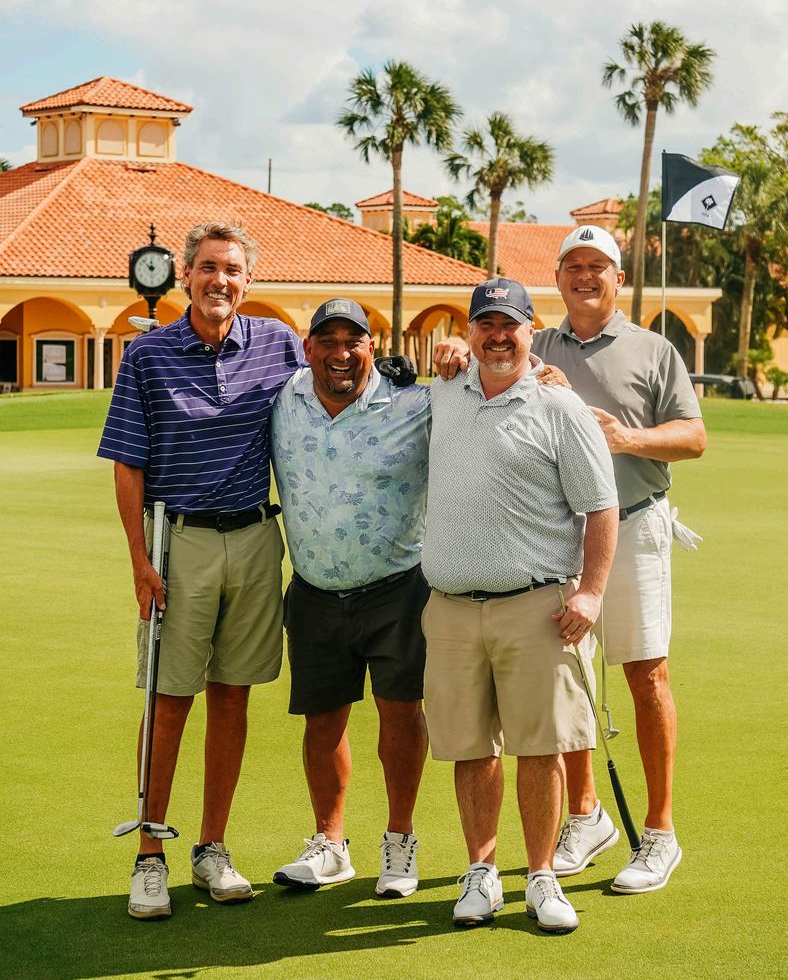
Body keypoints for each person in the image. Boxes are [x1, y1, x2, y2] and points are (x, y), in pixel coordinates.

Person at [98, 222, 303, 920]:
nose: (221, 280)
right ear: (185, 274)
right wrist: (138, 560)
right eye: (209, 267)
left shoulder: (280, 344)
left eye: (233, 269)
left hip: (255, 536)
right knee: (169, 700)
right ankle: (149, 853)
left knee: (233, 696)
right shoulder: (147, 354)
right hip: (178, 542)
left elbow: (343, 385)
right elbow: (128, 465)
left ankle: (212, 846)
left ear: (249, 280)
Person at [421, 278, 619, 934]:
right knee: (471, 747)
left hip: (537, 606)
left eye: (510, 324)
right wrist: (448, 355)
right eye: (486, 325)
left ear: (532, 331)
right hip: (452, 608)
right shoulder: (444, 391)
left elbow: (602, 507)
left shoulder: (559, 406)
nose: (498, 336)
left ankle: (540, 876)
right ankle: (480, 874)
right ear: (470, 332)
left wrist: (590, 591)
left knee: (540, 748)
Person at [536, 225, 706, 894]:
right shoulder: (536, 345)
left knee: (645, 674)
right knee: (568, 679)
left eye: (598, 266)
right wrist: (462, 349)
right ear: (558, 276)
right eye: (573, 265)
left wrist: (626, 436)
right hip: (557, 536)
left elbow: (693, 437)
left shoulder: (654, 349)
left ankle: (660, 832)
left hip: (634, 522)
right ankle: (586, 816)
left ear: (619, 278)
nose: (585, 276)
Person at [269, 298, 432, 898]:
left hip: (398, 589)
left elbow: (487, 394)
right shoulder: (282, 399)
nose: (341, 353)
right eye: (328, 341)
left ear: (372, 346)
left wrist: (465, 358)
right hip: (314, 591)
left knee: (400, 714)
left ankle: (400, 841)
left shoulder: (415, 403)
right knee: (322, 719)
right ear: (308, 348)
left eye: (353, 341)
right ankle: (330, 844)